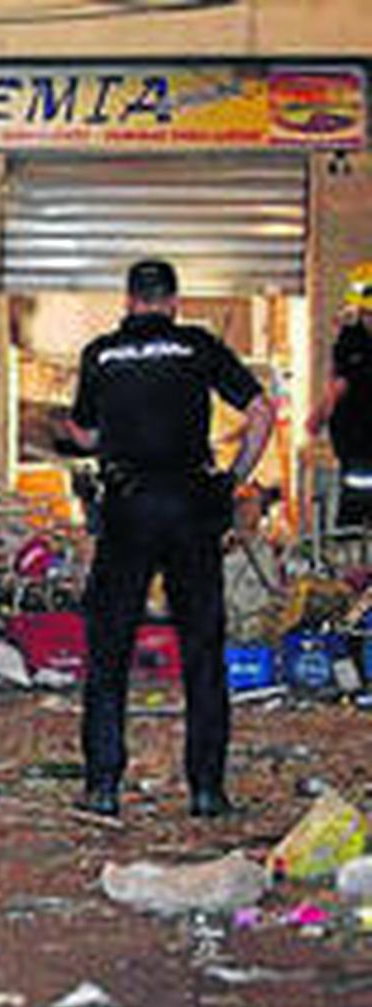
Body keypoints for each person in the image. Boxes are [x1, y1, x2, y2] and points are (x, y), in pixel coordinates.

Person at [58, 260, 274, 819]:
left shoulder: (101, 353)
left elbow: (86, 434)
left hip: (128, 507)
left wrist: (81, 432)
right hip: (191, 506)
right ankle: (207, 790)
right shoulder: (199, 346)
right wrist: (234, 479)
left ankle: (103, 786)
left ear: (129, 301)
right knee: (202, 649)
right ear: (174, 302)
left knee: (109, 651)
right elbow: (261, 412)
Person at [305, 260, 372, 528]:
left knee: (355, 510)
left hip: (360, 441)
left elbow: (338, 385)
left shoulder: (352, 339)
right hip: (356, 441)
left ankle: (354, 559)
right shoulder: (351, 337)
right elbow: (338, 382)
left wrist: (317, 416)